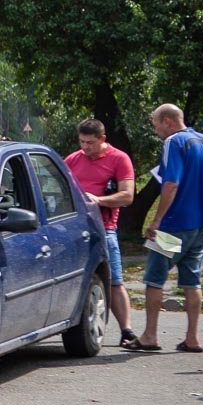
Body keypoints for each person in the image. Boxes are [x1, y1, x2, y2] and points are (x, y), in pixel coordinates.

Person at [126, 104, 203, 354]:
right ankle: (193, 338)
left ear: (167, 121)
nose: (156, 132)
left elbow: (171, 184)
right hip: (202, 222)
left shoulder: (174, 142)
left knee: (154, 279)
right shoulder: (202, 140)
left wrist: (156, 220)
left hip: (174, 225)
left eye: (156, 125)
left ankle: (150, 336)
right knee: (192, 280)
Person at [64, 119, 137, 345]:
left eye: (90, 143)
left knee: (114, 280)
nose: (85, 147)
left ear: (103, 139)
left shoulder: (119, 159)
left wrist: (99, 201)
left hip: (104, 229)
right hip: (74, 229)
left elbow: (127, 195)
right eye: (82, 142)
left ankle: (126, 331)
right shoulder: (73, 160)